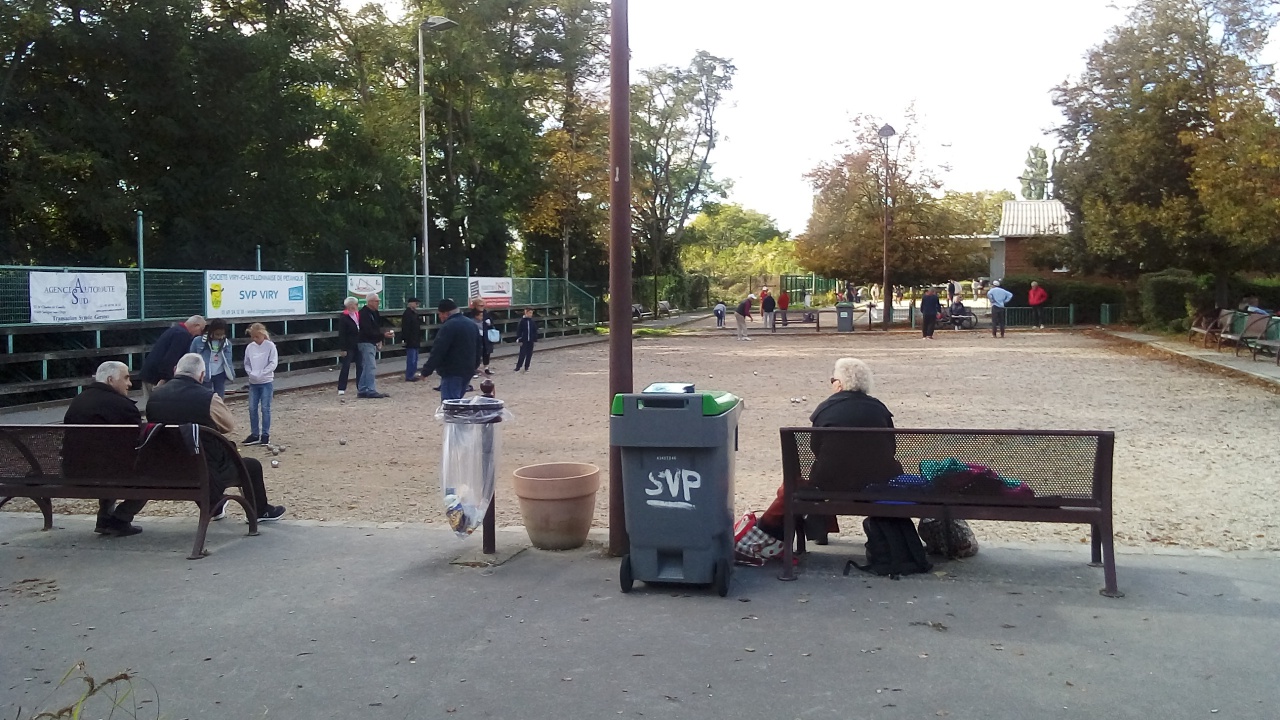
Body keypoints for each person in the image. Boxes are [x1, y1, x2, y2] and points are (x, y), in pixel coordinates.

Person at [756, 358, 900, 544]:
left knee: (824, 470)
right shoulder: (880, 410)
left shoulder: (825, 410)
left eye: (833, 380)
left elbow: (816, 448)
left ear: (839, 384)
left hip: (829, 484)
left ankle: (820, 531)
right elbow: (891, 447)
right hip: (878, 482)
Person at [146, 353, 285, 522]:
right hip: (206, 469)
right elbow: (228, 426)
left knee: (193, 458)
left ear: (175, 370)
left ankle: (215, 506)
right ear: (202, 375)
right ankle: (260, 511)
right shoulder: (207, 398)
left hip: (169, 468)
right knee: (251, 466)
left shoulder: (154, 398)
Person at [62, 361, 146, 537]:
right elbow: (137, 443)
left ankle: (104, 518)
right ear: (110, 380)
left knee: (107, 461)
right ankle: (120, 519)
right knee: (150, 473)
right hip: (108, 472)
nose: (130, 384)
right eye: (126, 378)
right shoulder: (123, 406)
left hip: (73, 471)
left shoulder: (78, 401)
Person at [422, 298, 479, 401]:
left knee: (451, 405)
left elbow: (438, 350)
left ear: (446, 313)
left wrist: (426, 370)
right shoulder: (471, 324)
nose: (439, 316)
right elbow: (479, 347)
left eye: (440, 314)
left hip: (452, 371)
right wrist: (475, 365)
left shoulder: (448, 326)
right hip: (468, 370)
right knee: (457, 401)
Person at [140, 315, 207, 400]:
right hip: (157, 378)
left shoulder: (175, 330)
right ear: (196, 325)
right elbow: (171, 359)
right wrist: (164, 379)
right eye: (201, 330)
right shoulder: (182, 335)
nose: (200, 334)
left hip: (148, 373)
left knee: (151, 407)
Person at [241, 323, 277, 446]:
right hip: (253, 382)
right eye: (253, 337)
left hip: (266, 381)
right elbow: (246, 362)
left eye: (256, 337)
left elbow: (273, 363)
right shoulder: (250, 347)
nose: (254, 339)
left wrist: (263, 373)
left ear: (262, 335)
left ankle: (265, 434)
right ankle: (255, 433)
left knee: (265, 408)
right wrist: (250, 373)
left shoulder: (270, 346)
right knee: (252, 408)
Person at [357, 292, 393, 399]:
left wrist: (380, 338)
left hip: (371, 341)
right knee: (370, 366)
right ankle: (370, 389)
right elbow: (367, 330)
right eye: (377, 301)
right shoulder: (363, 314)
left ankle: (363, 389)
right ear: (370, 301)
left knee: (367, 366)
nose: (378, 303)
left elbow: (376, 328)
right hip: (365, 341)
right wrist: (382, 335)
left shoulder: (375, 313)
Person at [190, 318, 233, 398]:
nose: (220, 337)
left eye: (222, 335)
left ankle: (217, 410)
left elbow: (228, 360)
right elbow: (191, 356)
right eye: (217, 334)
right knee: (205, 395)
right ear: (211, 331)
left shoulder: (227, 344)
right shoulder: (198, 341)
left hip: (220, 373)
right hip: (204, 373)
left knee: (219, 396)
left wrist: (230, 374)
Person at [336, 297, 361, 396]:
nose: (353, 307)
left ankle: (360, 386)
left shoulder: (358, 315)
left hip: (359, 344)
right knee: (346, 366)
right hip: (349, 345)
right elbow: (342, 334)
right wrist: (343, 348)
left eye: (354, 305)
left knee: (360, 366)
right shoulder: (344, 318)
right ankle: (341, 387)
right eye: (351, 305)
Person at [469, 298, 496, 377]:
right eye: (480, 305)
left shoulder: (486, 313)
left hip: (485, 334)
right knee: (476, 353)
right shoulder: (471, 314)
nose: (482, 307)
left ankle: (486, 368)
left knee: (486, 352)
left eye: (483, 305)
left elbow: (491, 323)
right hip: (476, 335)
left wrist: (489, 323)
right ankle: (473, 369)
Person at [402, 297, 424, 382]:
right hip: (411, 339)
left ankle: (412, 374)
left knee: (415, 358)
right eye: (416, 303)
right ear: (410, 303)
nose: (417, 305)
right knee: (411, 358)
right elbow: (405, 327)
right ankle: (409, 375)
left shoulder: (414, 313)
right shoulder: (407, 313)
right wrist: (405, 339)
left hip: (415, 338)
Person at [515, 307, 538, 372]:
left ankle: (526, 367)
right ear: (526, 312)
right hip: (524, 340)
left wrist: (535, 339)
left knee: (529, 354)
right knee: (522, 354)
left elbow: (535, 330)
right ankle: (518, 367)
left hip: (530, 340)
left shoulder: (532, 321)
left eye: (532, 313)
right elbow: (519, 331)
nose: (531, 314)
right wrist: (519, 338)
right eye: (530, 313)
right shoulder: (522, 321)